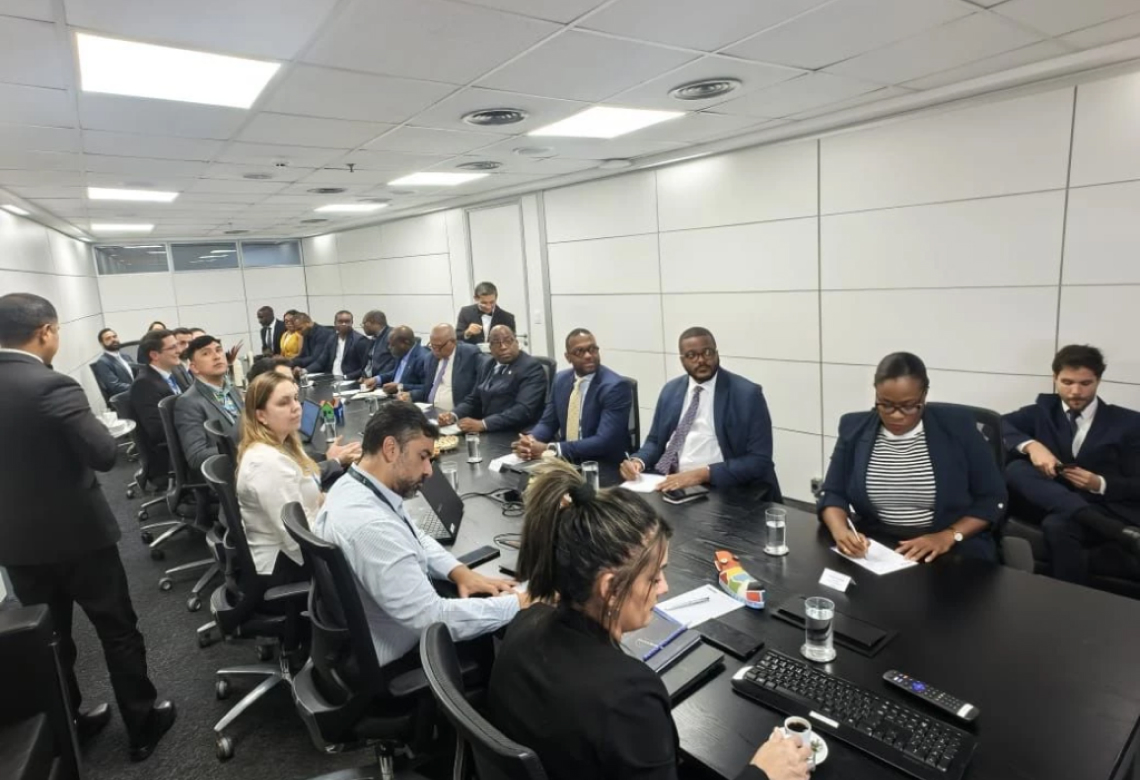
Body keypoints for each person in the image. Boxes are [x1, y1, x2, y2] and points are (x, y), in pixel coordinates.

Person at [488, 459, 810, 780]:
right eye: (653, 578)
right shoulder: (629, 700)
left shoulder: (523, 625)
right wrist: (764, 773)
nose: (664, 588)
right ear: (610, 588)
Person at [0, 293, 176, 762]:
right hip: (81, 537)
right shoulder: (51, 384)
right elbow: (102, 454)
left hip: (16, 543)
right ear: (45, 332)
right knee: (117, 631)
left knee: (48, 640)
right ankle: (142, 725)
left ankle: (70, 725)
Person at [312, 402, 527, 669]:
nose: (428, 470)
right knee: (512, 642)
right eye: (422, 456)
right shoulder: (371, 527)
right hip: (398, 652)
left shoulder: (354, 485)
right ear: (391, 448)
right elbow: (434, 618)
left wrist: (458, 571)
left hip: (375, 630)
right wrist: (518, 604)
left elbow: (415, 535)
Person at [818, 352, 1005, 564]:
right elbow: (833, 492)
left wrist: (949, 535)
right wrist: (841, 532)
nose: (896, 415)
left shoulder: (958, 428)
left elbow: (992, 498)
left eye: (908, 406)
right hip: (878, 545)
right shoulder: (854, 428)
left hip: (948, 546)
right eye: (885, 404)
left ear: (924, 395)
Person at [1003, 345, 1140, 584]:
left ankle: (1068, 600)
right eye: (1067, 382)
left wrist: (1100, 484)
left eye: (1085, 383)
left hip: (1102, 505)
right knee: (1016, 469)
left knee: (1058, 525)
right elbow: (995, 424)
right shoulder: (1042, 411)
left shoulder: (1128, 423)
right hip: (1049, 497)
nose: (1075, 391)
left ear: (1098, 380)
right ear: (1054, 378)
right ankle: (1115, 531)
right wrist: (1032, 446)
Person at [621, 327, 781, 499]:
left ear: (717, 353)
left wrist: (703, 474)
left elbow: (759, 460)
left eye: (707, 352)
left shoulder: (747, 394)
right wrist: (638, 461)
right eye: (691, 355)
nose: (701, 360)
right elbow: (655, 440)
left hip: (720, 487)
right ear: (682, 360)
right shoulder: (670, 390)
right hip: (671, 481)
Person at [177, 335, 358, 482]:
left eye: (218, 350)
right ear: (194, 367)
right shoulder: (188, 402)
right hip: (236, 472)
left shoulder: (230, 389)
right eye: (206, 354)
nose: (217, 356)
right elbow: (196, 457)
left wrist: (324, 457)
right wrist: (246, 445)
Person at [236, 373, 321, 585]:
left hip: (296, 551)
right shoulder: (267, 463)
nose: (296, 407)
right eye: (284, 403)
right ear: (261, 416)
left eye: (295, 398)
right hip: (287, 566)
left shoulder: (281, 444)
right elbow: (296, 538)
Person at [514, 328, 631, 463]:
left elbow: (604, 441)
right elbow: (548, 423)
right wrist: (530, 441)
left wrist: (551, 448)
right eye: (579, 351)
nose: (588, 355)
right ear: (568, 357)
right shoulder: (560, 380)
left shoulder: (615, 387)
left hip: (602, 463)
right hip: (567, 458)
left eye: (592, 349)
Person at [437, 325, 546, 434]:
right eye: (497, 343)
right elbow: (474, 399)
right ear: (490, 348)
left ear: (516, 343)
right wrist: (453, 415)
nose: (503, 347)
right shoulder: (488, 365)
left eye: (508, 341)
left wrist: (483, 424)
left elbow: (523, 410)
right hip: (488, 430)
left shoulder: (531, 367)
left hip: (515, 432)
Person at [129, 329, 191, 484]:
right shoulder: (144, 385)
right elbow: (158, 431)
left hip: (185, 439)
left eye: (177, 345)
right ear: (155, 355)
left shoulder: (175, 371)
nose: (179, 350)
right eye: (172, 347)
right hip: (168, 455)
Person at [411, 323, 483, 412]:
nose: (435, 351)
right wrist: (410, 395)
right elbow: (428, 390)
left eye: (439, 346)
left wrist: (455, 414)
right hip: (431, 411)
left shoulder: (469, 354)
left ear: (453, 342)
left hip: (457, 413)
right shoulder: (430, 358)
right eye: (432, 346)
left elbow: (474, 396)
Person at [369, 325, 426, 397]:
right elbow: (397, 373)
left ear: (406, 342)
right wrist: (377, 379)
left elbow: (426, 388)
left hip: (408, 400)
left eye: (393, 345)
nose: (389, 347)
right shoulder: (401, 352)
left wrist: (400, 387)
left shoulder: (422, 358)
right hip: (392, 396)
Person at [456, 281, 516, 346]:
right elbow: (457, 337)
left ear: (496, 298)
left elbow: (512, 343)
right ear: (475, 298)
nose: (488, 306)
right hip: (472, 351)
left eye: (492, 302)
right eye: (484, 303)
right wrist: (467, 333)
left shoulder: (508, 318)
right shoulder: (465, 312)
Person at [92, 327, 138, 399]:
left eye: (114, 336)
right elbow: (115, 386)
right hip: (124, 399)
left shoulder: (126, 357)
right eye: (108, 338)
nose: (113, 340)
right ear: (102, 343)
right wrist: (137, 388)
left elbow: (138, 374)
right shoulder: (102, 362)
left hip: (137, 395)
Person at [354, 309, 395, 384]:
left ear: (373, 322)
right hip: (368, 381)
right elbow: (368, 362)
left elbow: (394, 364)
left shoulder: (392, 336)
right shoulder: (374, 338)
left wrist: (377, 379)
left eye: (364, 324)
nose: (363, 327)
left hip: (383, 382)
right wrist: (364, 376)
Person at [327, 309, 365, 378]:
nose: (344, 324)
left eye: (347, 321)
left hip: (349, 379)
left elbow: (365, 367)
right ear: (335, 323)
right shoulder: (332, 339)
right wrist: (306, 370)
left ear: (352, 323)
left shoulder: (360, 340)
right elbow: (321, 361)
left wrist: (346, 377)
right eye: (340, 321)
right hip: (331, 378)